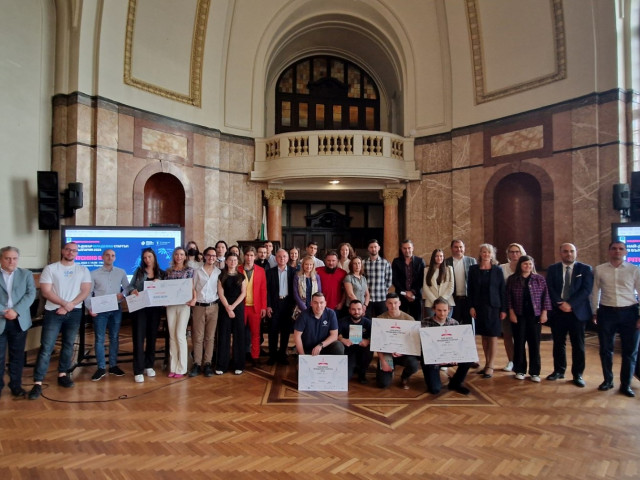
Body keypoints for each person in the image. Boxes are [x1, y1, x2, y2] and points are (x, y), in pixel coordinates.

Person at [29, 242, 92, 400]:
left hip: (75, 312)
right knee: (47, 347)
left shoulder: (83, 270)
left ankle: (63, 374)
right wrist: (65, 304)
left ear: (77, 253)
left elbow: (85, 291)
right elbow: (46, 291)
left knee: (69, 345)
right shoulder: (51, 269)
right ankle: (37, 382)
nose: (71, 252)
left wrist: (69, 306)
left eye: (74, 251)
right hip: (53, 312)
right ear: (63, 250)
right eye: (68, 249)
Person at [592, 241, 640, 397]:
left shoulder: (634, 270)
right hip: (607, 312)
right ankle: (608, 381)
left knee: (630, 351)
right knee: (606, 349)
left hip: (630, 313)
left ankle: (626, 385)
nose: (617, 251)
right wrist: (594, 311)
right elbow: (595, 292)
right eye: (614, 248)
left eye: (621, 249)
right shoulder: (599, 269)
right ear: (609, 251)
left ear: (625, 252)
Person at [545, 243, 593, 387]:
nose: (569, 254)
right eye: (565, 251)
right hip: (558, 311)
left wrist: (570, 304)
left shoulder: (585, 269)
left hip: (577, 312)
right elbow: (549, 288)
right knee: (558, 343)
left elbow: (586, 290)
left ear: (576, 252)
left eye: (571, 251)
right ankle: (559, 370)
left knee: (578, 344)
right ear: (561, 253)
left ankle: (577, 374)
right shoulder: (553, 269)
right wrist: (560, 303)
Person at [507, 255, 552, 382]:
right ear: (520, 265)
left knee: (534, 343)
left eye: (530, 264)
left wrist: (544, 313)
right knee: (519, 343)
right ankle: (520, 370)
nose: (528, 266)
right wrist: (511, 312)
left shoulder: (539, 279)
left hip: (535, 315)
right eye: (525, 264)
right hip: (519, 315)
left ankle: (535, 372)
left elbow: (546, 297)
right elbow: (508, 298)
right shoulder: (512, 279)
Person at [87, 249, 129, 381]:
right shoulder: (93, 274)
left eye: (113, 255)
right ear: (102, 257)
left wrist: (123, 295)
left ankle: (113, 365)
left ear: (115, 258)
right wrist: (90, 307)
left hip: (116, 308)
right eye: (107, 255)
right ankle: (100, 368)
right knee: (99, 339)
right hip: (99, 310)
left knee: (114, 337)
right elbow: (88, 293)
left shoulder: (121, 272)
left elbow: (128, 287)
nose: (110, 257)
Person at [126, 248, 166, 383]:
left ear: (154, 257)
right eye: (144, 258)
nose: (147, 260)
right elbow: (130, 287)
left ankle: (149, 365)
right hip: (140, 308)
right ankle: (138, 369)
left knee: (152, 338)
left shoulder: (162, 273)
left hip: (155, 309)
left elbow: (166, 291)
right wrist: (133, 291)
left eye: (149, 257)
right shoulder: (139, 271)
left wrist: (160, 286)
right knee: (138, 338)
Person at [0, 246, 36, 398]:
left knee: (17, 356)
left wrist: (16, 311)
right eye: (8, 258)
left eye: (14, 258)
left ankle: (15, 385)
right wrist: (4, 311)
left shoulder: (26, 274)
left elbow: (31, 294)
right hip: (1, 318)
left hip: (19, 320)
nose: (11, 261)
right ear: (1, 259)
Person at [467, 243, 507, 379]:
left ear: (492, 255)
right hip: (479, 307)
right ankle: (485, 363)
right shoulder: (473, 269)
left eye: (488, 252)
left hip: (494, 307)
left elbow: (502, 290)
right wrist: (471, 306)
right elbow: (470, 290)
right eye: (484, 252)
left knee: (493, 335)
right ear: (480, 254)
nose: (486, 254)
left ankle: (491, 365)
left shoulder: (497, 270)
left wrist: (503, 309)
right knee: (484, 336)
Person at [421, 297, 472, 395]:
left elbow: (459, 344)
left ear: (449, 310)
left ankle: (455, 383)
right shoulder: (425, 323)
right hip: (432, 360)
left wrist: (455, 356)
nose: (442, 313)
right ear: (433, 309)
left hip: (450, 357)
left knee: (469, 359)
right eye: (439, 310)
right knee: (435, 389)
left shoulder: (454, 323)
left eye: (445, 310)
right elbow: (425, 346)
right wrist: (438, 359)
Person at [374, 293, 420, 389]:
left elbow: (413, 342)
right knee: (383, 384)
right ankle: (390, 370)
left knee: (414, 365)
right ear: (386, 304)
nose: (393, 306)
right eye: (390, 303)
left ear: (399, 303)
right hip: (387, 354)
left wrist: (402, 352)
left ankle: (404, 377)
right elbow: (377, 343)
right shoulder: (380, 319)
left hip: (404, 353)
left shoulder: (409, 319)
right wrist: (383, 361)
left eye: (395, 303)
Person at [164, 247, 196, 378]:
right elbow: (164, 288)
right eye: (176, 254)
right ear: (173, 256)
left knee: (180, 335)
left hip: (184, 305)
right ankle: (173, 366)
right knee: (172, 336)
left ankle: (182, 368)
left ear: (185, 256)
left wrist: (194, 298)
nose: (179, 256)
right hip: (170, 306)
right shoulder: (168, 271)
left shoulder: (190, 271)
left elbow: (193, 286)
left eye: (181, 254)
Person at [190, 246, 220, 377]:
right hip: (199, 306)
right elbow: (193, 288)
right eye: (209, 255)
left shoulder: (219, 272)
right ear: (204, 256)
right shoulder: (197, 271)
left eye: (214, 256)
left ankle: (207, 363)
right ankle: (197, 363)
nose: (211, 258)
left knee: (210, 337)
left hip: (213, 306)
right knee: (198, 337)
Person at [216, 252, 247, 375]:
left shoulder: (241, 276)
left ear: (237, 262)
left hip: (238, 308)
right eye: (230, 260)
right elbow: (220, 293)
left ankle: (238, 365)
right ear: (226, 261)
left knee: (239, 336)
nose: (232, 262)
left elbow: (243, 293)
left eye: (235, 260)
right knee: (224, 335)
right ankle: (222, 365)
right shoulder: (221, 275)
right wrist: (228, 308)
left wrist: (233, 307)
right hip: (224, 308)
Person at [499, 243, 527, 372]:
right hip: (506, 307)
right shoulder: (502, 268)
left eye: (517, 252)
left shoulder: (527, 266)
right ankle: (511, 360)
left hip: (523, 308)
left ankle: (520, 361)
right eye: (512, 252)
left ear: (521, 253)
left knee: (521, 336)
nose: (514, 254)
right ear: (508, 254)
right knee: (508, 335)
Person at [266, 248, 296, 365]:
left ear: (288, 258)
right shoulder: (270, 272)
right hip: (274, 304)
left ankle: (283, 354)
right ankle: (272, 355)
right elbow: (267, 291)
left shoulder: (294, 272)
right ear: (276, 258)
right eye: (279, 256)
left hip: (288, 305)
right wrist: (268, 305)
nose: (282, 258)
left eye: (284, 256)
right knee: (272, 330)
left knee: (285, 331)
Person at [238, 246, 267, 367]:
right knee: (239, 333)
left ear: (255, 257)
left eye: (251, 255)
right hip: (241, 307)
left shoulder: (261, 270)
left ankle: (255, 357)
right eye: (247, 255)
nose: (249, 258)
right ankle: (240, 356)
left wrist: (264, 307)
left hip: (255, 307)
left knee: (256, 333)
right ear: (244, 256)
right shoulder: (238, 269)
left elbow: (263, 290)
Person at [338, 300, 373, 384]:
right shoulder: (342, 321)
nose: (356, 312)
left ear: (363, 310)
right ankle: (353, 368)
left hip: (363, 349)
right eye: (353, 309)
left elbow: (377, 338)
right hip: (349, 349)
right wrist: (342, 340)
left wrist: (368, 341)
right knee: (346, 377)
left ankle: (362, 373)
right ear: (349, 310)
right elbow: (334, 335)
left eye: (359, 309)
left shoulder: (368, 323)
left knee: (369, 349)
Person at [391, 239, 426, 320]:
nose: (407, 250)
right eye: (404, 248)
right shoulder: (396, 262)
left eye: (409, 248)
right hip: (401, 296)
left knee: (417, 320)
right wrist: (405, 293)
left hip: (416, 296)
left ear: (413, 248)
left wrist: (412, 292)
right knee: (401, 320)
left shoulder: (420, 261)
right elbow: (395, 279)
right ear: (401, 249)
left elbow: (422, 279)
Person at [445, 239, 477, 325]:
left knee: (468, 326)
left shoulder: (472, 261)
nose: (458, 249)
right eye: (456, 247)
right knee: (453, 325)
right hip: (454, 300)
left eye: (461, 247)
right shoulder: (446, 262)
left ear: (464, 248)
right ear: (451, 248)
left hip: (468, 299)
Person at [422, 248, 454, 319]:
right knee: (433, 326)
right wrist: (435, 301)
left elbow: (451, 287)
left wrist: (442, 301)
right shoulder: (427, 270)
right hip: (431, 303)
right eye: (437, 256)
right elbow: (425, 287)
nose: (439, 258)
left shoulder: (449, 269)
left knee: (446, 326)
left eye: (441, 256)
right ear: (433, 257)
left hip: (447, 302)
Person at [363, 239, 392, 318]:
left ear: (379, 248)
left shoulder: (385, 263)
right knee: (367, 321)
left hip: (381, 297)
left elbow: (389, 280)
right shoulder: (363, 263)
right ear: (368, 249)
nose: (373, 249)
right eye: (371, 247)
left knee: (381, 321)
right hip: (367, 299)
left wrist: (383, 289)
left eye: (375, 247)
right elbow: (361, 279)